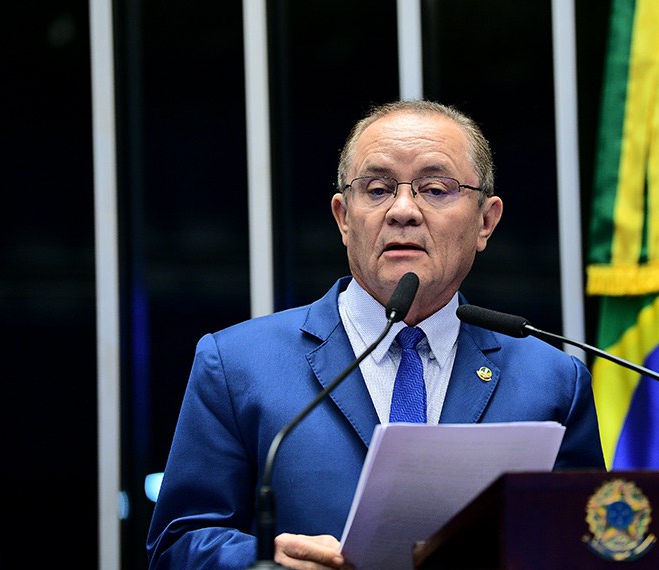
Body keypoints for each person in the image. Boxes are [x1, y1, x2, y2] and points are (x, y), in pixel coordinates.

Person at [147, 100, 605, 569]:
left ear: (485, 221)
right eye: (378, 189)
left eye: (435, 189)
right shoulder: (236, 364)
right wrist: (261, 561)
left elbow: (587, 547)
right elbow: (176, 544)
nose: (402, 210)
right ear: (344, 218)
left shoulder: (552, 381)